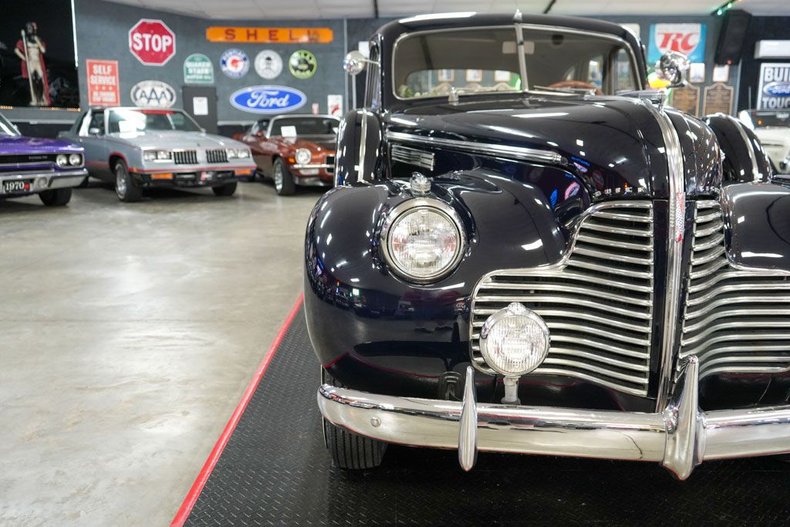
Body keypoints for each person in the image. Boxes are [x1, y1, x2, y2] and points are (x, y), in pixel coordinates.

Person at [15, 22, 50, 106]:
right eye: (29, 28)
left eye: (31, 28)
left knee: (41, 80)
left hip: (38, 62)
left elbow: (43, 50)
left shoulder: (38, 39)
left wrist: (37, 41)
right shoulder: (25, 39)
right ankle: (34, 99)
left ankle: (41, 99)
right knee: (33, 80)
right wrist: (25, 58)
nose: (30, 29)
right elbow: (16, 50)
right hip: (31, 62)